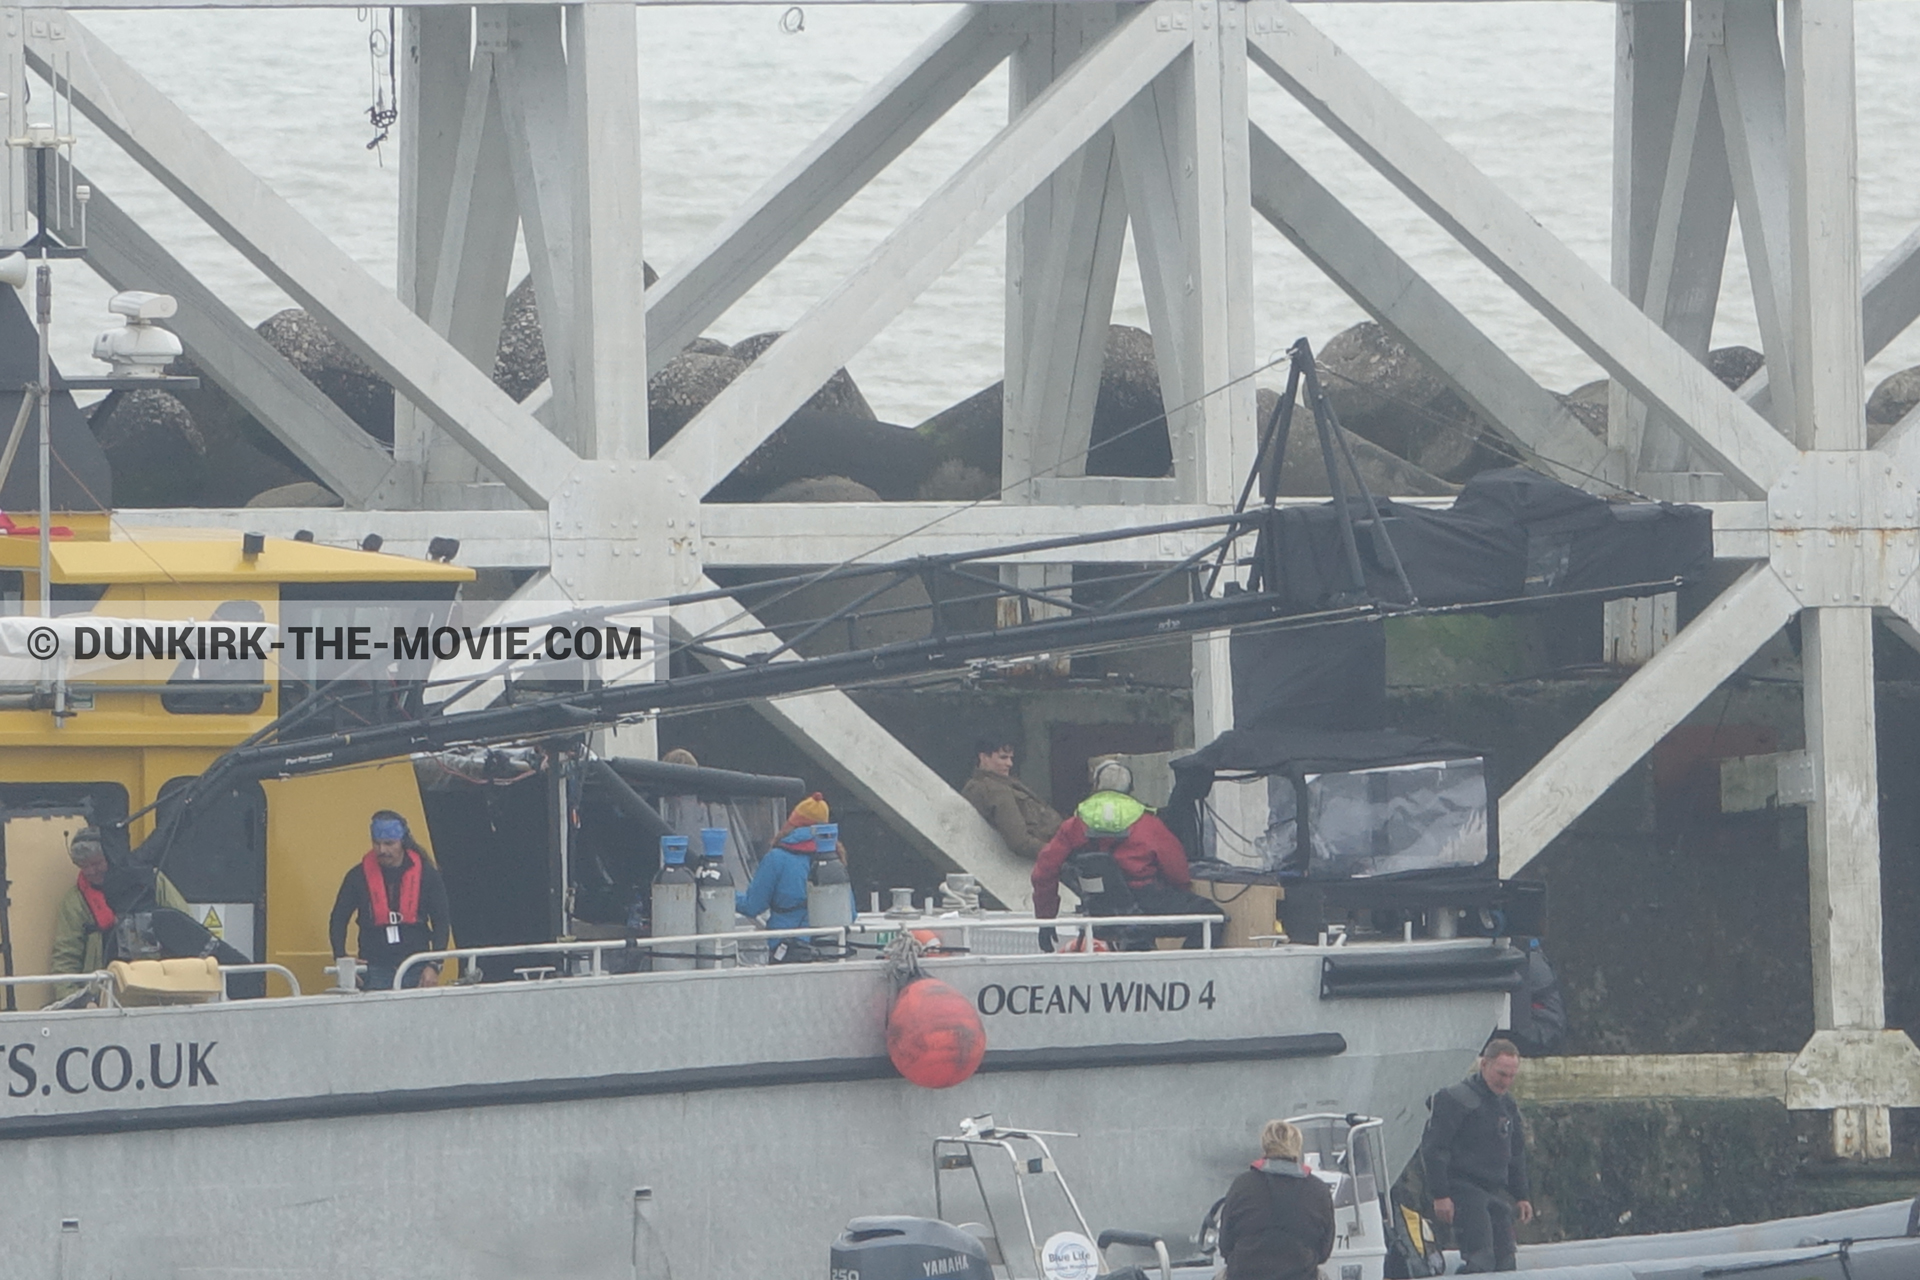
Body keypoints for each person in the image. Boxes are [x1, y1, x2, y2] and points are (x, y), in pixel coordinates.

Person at [1031, 760, 1220, 948]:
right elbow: (1178, 872)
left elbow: (1044, 871)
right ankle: (1183, 975)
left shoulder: (1074, 824)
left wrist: (1045, 920)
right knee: (1212, 918)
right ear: (1130, 789)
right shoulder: (1147, 823)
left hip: (1098, 910)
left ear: (1096, 786)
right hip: (1145, 906)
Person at [1420, 1038, 1533, 1272]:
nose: (1506, 1082)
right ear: (1484, 1065)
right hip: (1463, 1189)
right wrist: (1440, 1195)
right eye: (1501, 1074)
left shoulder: (1507, 1105)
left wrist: (1522, 1195)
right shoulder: (1456, 1099)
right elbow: (1434, 1149)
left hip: (1494, 1191)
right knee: (1481, 1261)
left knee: (1506, 1263)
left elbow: (1516, 1153)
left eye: (1512, 1076)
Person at [50, 826, 192, 1000]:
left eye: (96, 863)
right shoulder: (75, 902)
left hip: (158, 989)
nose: (90, 871)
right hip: (103, 996)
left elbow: (186, 929)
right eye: (83, 866)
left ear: (112, 857)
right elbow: (65, 958)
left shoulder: (153, 881)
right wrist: (76, 1002)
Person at [328, 811, 452, 991]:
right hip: (373, 968)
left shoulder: (427, 875)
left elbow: (442, 921)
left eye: (389, 844)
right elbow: (338, 919)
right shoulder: (357, 877)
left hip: (416, 966)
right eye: (376, 843)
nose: (382, 850)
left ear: (402, 841)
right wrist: (341, 958)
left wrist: (434, 965)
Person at [1217, 1119, 1336, 1280]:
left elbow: (1225, 1245)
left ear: (1265, 1146)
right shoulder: (1318, 1190)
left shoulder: (1242, 1185)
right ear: (1297, 1147)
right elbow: (1323, 1252)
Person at [735, 793, 850, 942]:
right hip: (829, 948)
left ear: (793, 823)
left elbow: (752, 906)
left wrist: (722, 893)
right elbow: (850, 913)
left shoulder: (776, 858)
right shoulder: (834, 861)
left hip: (787, 949)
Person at [960, 737, 1062, 860]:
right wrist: (1060, 852)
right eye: (1003, 757)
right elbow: (1020, 841)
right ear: (983, 758)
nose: (1009, 764)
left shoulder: (1002, 784)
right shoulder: (993, 789)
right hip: (1045, 858)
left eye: (1010, 758)